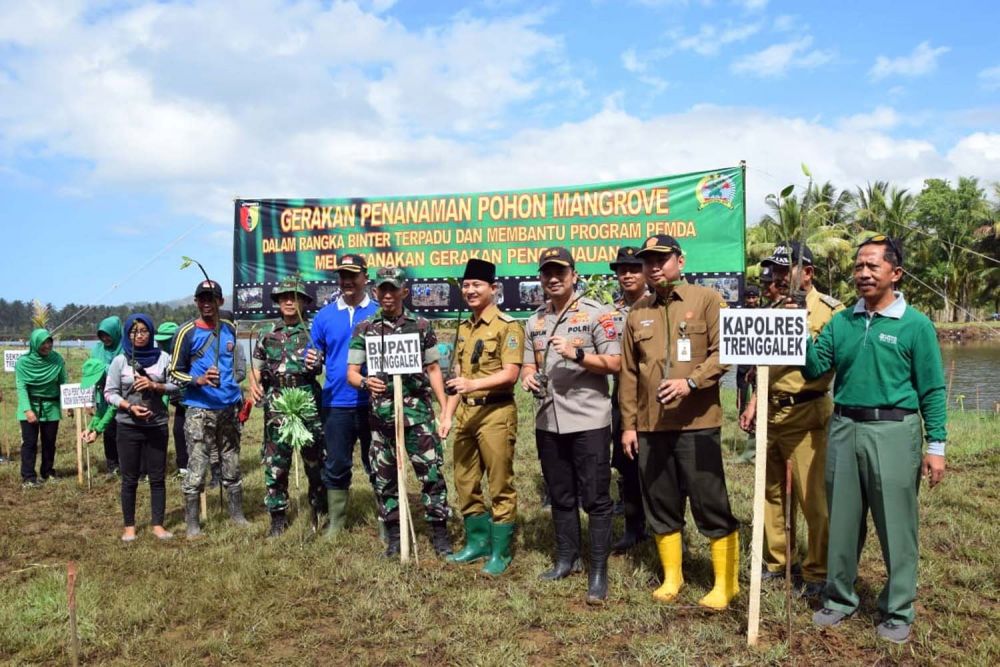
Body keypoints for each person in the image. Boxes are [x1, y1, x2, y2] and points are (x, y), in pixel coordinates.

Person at [806, 235, 946, 644]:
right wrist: (796, 329)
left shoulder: (915, 325)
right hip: (845, 426)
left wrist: (935, 445)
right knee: (843, 520)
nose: (863, 273)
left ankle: (899, 608)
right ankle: (839, 598)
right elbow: (817, 366)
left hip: (895, 430)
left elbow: (933, 390)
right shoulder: (842, 321)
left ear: (895, 273)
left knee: (896, 524)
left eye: (872, 266)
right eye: (858, 267)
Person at [619, 234, 739, 610]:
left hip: (698, 423)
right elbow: (627, 375)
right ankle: (673, 576)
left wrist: (691, 382)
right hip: (652, 426)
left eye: (662, 259)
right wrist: (628, 424)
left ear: (680, 260)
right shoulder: (638, 312)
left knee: (710, 501)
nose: (654, 266)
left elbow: (725, 352)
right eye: (648, 261)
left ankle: (726, 584)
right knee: (661, 502)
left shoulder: (707, 300)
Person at [738, 242, 844, 598]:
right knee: (769, 494)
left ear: (808, 273)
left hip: (807, 413)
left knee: (813, 499)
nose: (778, 278)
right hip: (770, 412)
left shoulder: (831, 312)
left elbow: (832, 364)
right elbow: (763, 365)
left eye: (786, 270)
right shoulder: (769, 309)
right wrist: (754, 401)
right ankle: (778, 561)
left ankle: (817, 571)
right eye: (775, 271)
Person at [521, 247, 620, 605]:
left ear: (574, 275)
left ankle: (598, 572)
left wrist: (578, 354)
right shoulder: (534, 321)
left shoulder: (597, 314)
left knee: (595, 497)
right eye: (547, 272)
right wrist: (527, 378)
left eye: (560, 271)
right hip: (548, 420)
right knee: (560, 495)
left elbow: (615, 362)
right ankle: (567, 559)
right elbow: (527, 364)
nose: (553, 278)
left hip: (588, 419)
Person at [346, 267, 451, 557]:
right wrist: (367, 382)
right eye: (383, 289)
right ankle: (394, 537)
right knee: (385, 478)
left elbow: (433, 369)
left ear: (404, 291)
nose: (388, 295)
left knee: (431, 475)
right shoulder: (365, 329)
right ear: (376, 292)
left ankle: (440, 534)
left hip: (417, 416)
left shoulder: (421, 325)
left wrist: (444, 410)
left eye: (394, 289)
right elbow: (352, 374)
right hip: (382, 418)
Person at [438, 258, 523, 575]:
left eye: (477, 285)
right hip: (466, 414)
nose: (471, 290)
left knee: (499, 482)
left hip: (495, 412)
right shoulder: (463, 328)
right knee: (464, 480)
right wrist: (447, 415)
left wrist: (473, 384)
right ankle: (477, 543)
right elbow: (457, 375)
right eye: (467, 285)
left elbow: (511, 373)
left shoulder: (508, 326)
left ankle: (500, 552)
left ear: (493, 289)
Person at [169, 279, 249, 538]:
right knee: (197, 465)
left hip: (228, 407)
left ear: (220, 301)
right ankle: (192, 523)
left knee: (231, 462)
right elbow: (173, 373)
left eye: (211, 298)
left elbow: (235, 359)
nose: (206, 303)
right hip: (199, 409)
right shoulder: (186, 333)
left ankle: (236, 514)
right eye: (201, 299)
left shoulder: (229, 327)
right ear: (196, 302)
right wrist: (198, 380)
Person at [249, 278, 326, 538]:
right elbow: (256, 369)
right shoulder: (267, 332)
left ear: (304, 301)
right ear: (278, 302)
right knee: (276, 462)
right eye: (284, 297)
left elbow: (320, 364)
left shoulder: (314, 330)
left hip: (307, 399)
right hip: (277, 402)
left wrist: (316, 362)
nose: (289, 301)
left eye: (294, 296)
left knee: (315, 460)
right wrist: (254, 386)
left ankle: (318, 509)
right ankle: (278, 517)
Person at [311, 254, 379, 538]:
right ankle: (337, 522)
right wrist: (311, 361)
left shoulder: (378, 312)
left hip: (374, 402)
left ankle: (386, 519)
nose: (347, 281)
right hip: (336, 402)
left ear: (365, 277)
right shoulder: (324, 316)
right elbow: (315, 356)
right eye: (342, 275)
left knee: (378, 462)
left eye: (353, 275)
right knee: (336, 463)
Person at [104, 314, 180, 542]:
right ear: (128, 334)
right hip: (128, 426)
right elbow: (109, 393)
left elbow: (177, 386)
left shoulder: (164, 358)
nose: (139, 335)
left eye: (144, 331)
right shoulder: (120, 361)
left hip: (156, 424)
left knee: (157, 477)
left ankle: (158, 524)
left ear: (151, 333)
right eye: (134, 332)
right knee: (129, 478)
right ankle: (129, 526)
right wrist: (128, 406)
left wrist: (155, 385)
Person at [607, 246, 650, 553]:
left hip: (658, 397)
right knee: (628, 463)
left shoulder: (658, 305)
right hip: (623, 396)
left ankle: (668, 529)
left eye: (634, 268)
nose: (628, 274)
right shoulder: (610, 313)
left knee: (664, 467)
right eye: (622, 269)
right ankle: (634, 528)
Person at [15, 328, 67, 487]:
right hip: (30, 405)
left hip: (51, 406)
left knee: (49, 441)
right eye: (43, 343)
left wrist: (67, 403)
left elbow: (62, 382)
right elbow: (21, 387)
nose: (47, 346)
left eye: (49, 342)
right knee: (29, 443)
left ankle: (47, 471)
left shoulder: (57, 359)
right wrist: (27, 410)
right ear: (35, 344)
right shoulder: (23, 362)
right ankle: (28, 477)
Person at [90, 316, 123, 476]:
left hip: (123, 392)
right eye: (102, 335)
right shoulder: (97, 349)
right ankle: (112, 465)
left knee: (122, 429)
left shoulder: (126, 346)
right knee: (109, 430)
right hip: (103, 392)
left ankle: (126, 464)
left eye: (108, 334)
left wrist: (105, 368)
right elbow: (90, 370)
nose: (105, 338)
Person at [155, 322, 188, 476]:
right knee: (178, 431)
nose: (161, 344)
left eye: (165, 341)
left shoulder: (186, 351)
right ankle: (182, 467)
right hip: (175, 400)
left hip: (191, 398)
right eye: (160, 341)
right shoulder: (160, 357)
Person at [734, 284, 761, 464]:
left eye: (754, 297)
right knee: (741, 403)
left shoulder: (765, 313)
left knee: (758, 406)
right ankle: (746, 441)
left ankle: (755, 447)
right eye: (748, 298)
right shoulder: (739, 314)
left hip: (758, 367)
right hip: (743, 366)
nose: (751, 301)